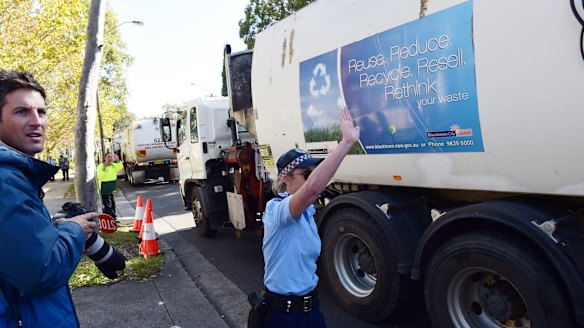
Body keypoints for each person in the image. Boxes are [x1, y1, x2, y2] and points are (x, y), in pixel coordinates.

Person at [0, 70, 97, 327]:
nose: (37, 122)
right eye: (22, 112)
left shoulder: (13, 175)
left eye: (41, 112)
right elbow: (40, 271)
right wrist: (75, 230)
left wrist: (51, 230)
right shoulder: (5, 181)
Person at [260, 107, 360, 327]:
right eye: (307, 174)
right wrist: (346, 143)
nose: (313, 178)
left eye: (314, 172)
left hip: (311, 311)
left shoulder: (307, 212)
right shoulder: (276, 210)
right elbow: (313, 189)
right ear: (286, 179)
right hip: (283, 317)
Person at [97, 151, 123, 219]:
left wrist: (118, 160)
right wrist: (104, 168)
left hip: (112, 186)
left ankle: (114, 217)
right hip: (104, 186)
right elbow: (100, 176)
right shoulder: (100, 166)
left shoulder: (113, 165)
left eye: (111, 157)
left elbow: (120, 167)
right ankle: (109, 218)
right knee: (107, 204)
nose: (110, 158)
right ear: (104, 158)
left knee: (113, 203)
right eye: (108, 157)